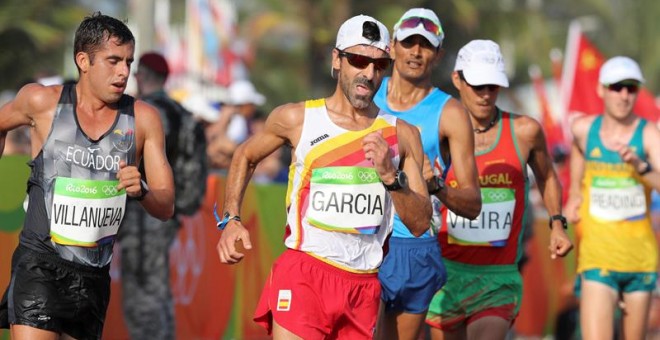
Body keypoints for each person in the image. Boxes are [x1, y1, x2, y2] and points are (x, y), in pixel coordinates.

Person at [215, 14, 432, 339]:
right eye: (358, 60)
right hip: (305, 274)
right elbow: (245, 155)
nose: (368, 73)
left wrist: (391, 177)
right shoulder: (297, 118)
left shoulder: (402, 135)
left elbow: (419, 223)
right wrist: (231, 218)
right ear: (337, 59)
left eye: (379, 64)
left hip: (363, 284)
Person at [0, 12, 174, 340]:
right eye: (113, 61)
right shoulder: (42, 102)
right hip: (39, 265)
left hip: (93, 277)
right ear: (83, 60)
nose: (124, 71)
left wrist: (142, 191)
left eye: (129, 62)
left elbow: (166, 206)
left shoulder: (144, 119)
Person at [425, 39, 573, 339]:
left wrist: (557, 224)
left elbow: (546, 177)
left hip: (498, 276)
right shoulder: (437, 131)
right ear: (457, 79)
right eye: (478, 85)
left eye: (493, 86)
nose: (485, 94)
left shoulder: (525, 131)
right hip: (445, 273)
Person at [372, 8, 481, 340]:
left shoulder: (450, 113)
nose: (415, 52)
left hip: (413, 244)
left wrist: (435, 186)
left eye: (426, 45)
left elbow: (473, 202)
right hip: (364, 239)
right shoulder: (367, 94)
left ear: (438, 55)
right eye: (408, 43)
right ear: (392, 47)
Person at [564, 56, 660, 340]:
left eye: (631, 88)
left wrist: (641, 167)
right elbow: (578, 149)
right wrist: (574, 193)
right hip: (598, 257)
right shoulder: (584, 129)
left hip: (638, 259)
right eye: (617, 87)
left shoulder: (649, 135)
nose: (624, 95)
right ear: (601, 89)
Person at [118, 51, 207, 340]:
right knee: (158, 292)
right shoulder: (182, 113)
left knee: (142, 294)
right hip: (169, 209)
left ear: (141, 75)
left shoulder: (146, 113)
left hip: (142, 211)